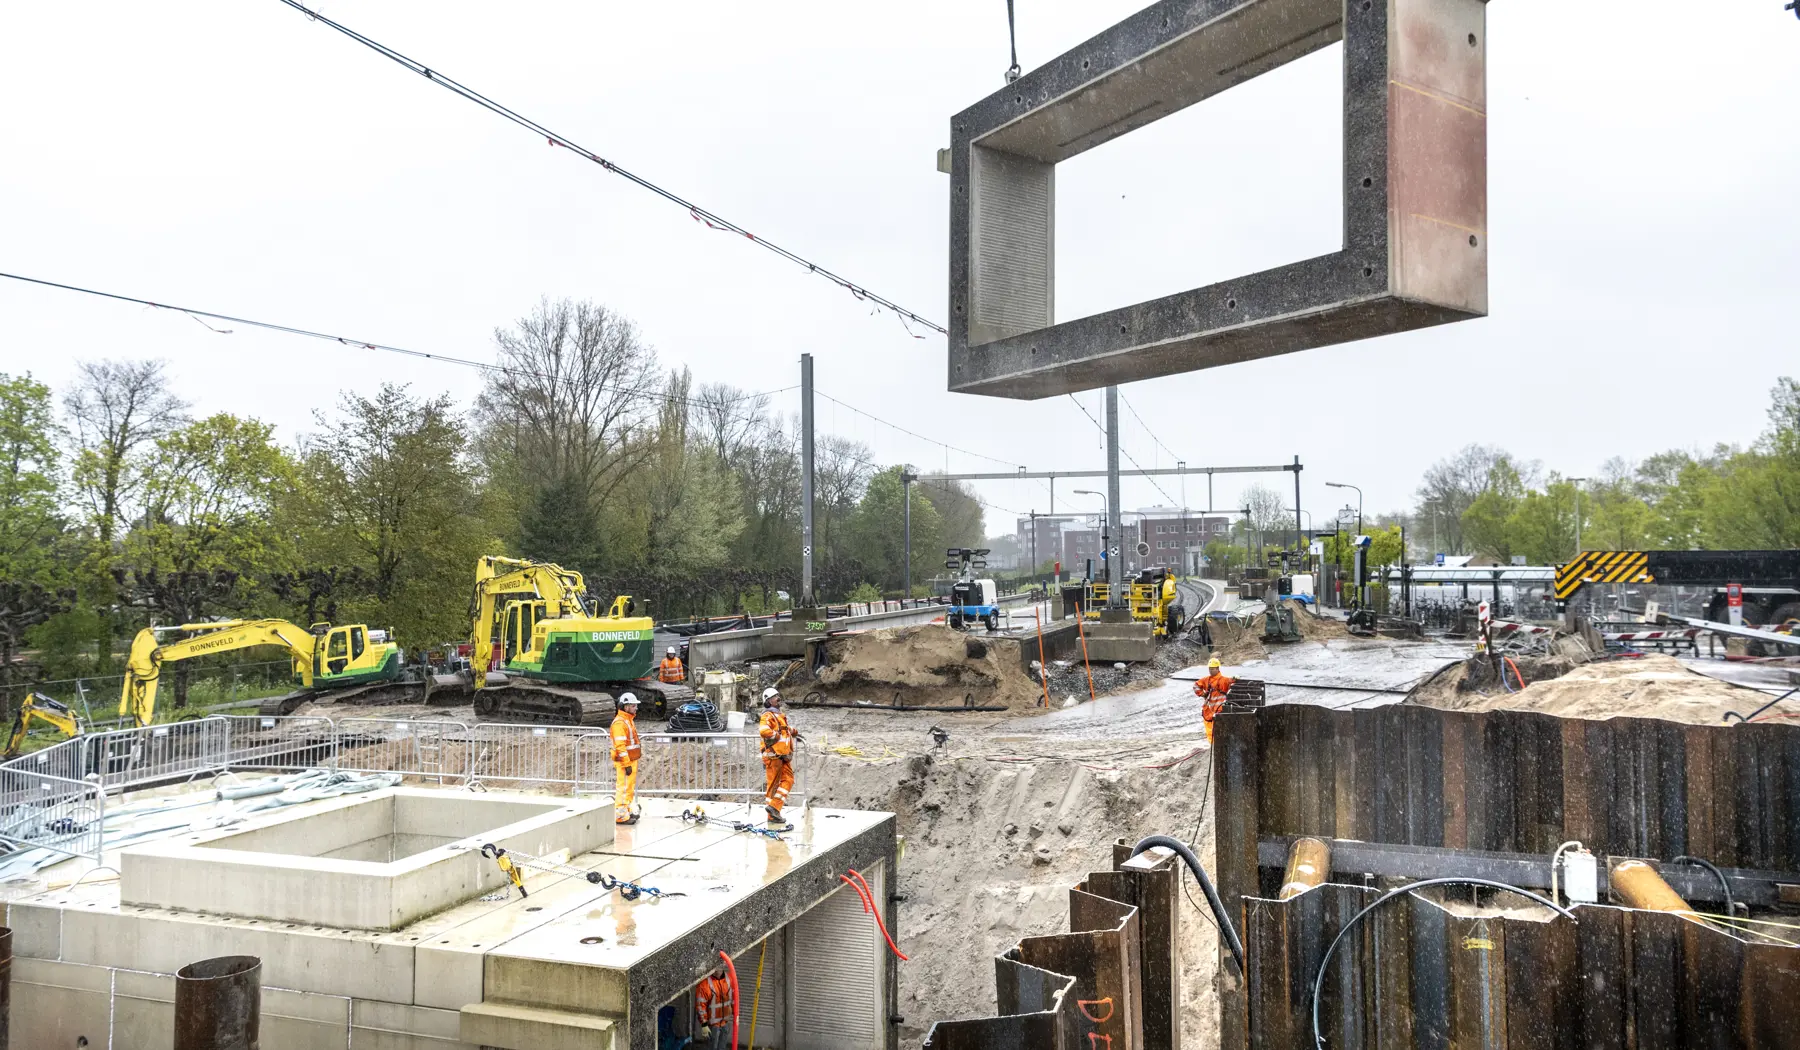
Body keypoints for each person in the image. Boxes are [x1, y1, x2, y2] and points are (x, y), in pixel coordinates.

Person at [758, 687, 798, 825]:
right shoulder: (768, 715)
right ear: (768, 701)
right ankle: (773, 814)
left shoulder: (779, 715)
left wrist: (794, 731)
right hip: (774, 756)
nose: (778, 698)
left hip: (783, 756)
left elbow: (785, 729)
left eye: (777, 695)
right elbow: (764, 730)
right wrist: (776, 736)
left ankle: (774, 808)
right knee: (773, 786)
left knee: (789, 780)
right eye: (774, 697)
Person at [610, 692, 642, 825]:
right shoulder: (619, 723)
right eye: (633, 706)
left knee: (628, 788)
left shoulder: (628, 720)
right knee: (623, 789)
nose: (636, 708)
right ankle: (621, 816)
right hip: (625, 762)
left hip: (630, 761)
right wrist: (627, 764)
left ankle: (626, 812)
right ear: (626, 707)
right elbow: (620, 746)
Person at [1193, 656, 1235, 745]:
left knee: (1220, 729)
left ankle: (1220, 744)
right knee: (1211, 729)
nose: (1211, 670)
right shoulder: (1206, 680)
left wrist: (1235, 679)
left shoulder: (1224, 680)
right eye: (1210, 669)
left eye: (1213, 669)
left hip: (1221, 710)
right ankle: (1214, 745)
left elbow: (1233, 684)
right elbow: (1196, 686)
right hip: (1212, 709)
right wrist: (1203, 694)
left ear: (1217, 668)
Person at [694, 964, 735, 1049]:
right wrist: (704, 1023)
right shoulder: (705, 984)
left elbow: (734, 997)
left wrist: (735, 1012)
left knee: (722, 1047)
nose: (717, 970)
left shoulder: (730, 979)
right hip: (712, 1025)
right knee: (712, 1047)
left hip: (725, 1022)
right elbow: (700, 1005)